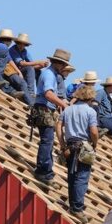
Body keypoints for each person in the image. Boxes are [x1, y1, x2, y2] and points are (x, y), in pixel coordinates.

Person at [56, 85, 99, 223]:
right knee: (81, 178)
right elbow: (93, 131)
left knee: (72, 176)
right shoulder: (90, 112)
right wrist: (95, 144)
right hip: (83, 146)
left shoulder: (68, 110)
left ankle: (72, 205)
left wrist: (62, 144)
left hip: (69, 146)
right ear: (91, 97)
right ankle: (77, 208)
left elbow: (58, 125)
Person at [31, 49, 72, 183]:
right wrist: (64, 105)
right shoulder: (49, 75)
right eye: (63, 65)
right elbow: (48, 94)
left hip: (45, 109)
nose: (64, 68)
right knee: (47, 141)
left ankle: (46, 169)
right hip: (44, 109)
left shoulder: (52, 74)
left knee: (47, 140)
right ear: (58, 63)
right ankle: (42, 170)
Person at [0, 29, 29, 103]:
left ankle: (12, 91)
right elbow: (0, 64)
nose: (11, 42)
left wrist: (18, 71)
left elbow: (9, 60)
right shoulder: (3, 47)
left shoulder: (2, 47)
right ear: (7, 40)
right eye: (10, 40)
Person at [10, 33, 49, 103]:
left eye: (24, 44)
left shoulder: (25, 51)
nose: (22, 46)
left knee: (38, 72)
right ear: (17, 43)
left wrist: (42, 66)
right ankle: (31, 92)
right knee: (29, 68)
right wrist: (38, 62)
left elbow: (32, 65)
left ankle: (41, 93)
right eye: (20, 43)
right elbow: (22, 63)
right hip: (13, 72)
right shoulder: (13, 50)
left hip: (21, 71)